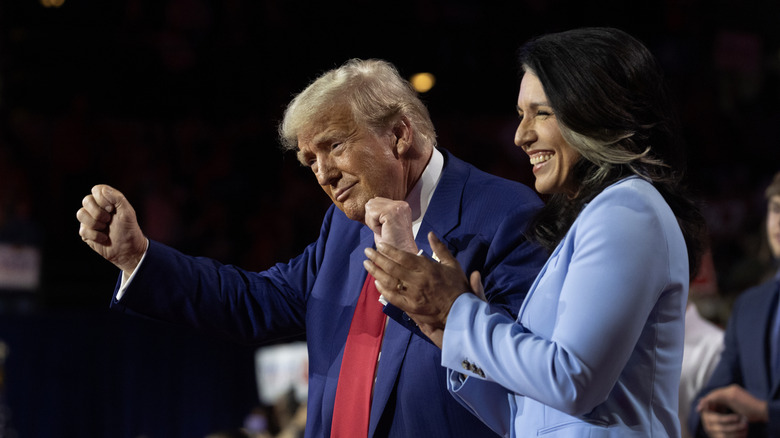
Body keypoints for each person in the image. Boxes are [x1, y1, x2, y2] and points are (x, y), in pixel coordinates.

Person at [76, 58, 548, 437]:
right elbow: (258, 301)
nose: (322, 174)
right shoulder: (343, 228)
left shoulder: (507, 216)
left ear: (400, 134)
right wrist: (137, 257)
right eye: (310, 160)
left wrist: (413, 267)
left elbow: (525, 372)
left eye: (334, 146)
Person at [364, 27, 707, 437]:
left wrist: (458, 312)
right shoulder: (602, 215)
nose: (520, 135)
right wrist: (447, 327)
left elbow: (572, 380)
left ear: (596, 112)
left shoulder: (628, 211)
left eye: (541, 113)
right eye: (521, 114)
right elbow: (530, 412)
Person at [689, 171, 780, 437]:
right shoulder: (749, 306)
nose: (778, 223)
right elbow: (711, 393)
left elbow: (760, 408)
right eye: (776, 209)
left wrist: (766, 413)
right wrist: (707, 416)